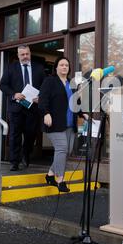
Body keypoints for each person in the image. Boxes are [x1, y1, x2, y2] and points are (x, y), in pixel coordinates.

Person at [38, 56, 84, 193]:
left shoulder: (71, 83)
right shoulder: (50, 81)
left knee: (67, 151)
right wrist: (46, 113)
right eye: (62, 65)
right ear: (56, 67)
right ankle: (60, 180)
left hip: (69, 124)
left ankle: (50, 175)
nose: (64, 67)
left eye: (67, 65)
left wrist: (83, 114)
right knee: (62, 148)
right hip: (55, 123)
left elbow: (76, 102)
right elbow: (42, 100)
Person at [0, 45, 45, 171]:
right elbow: (3, 85)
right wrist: (14, 94)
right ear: (18, 55)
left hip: (32, 107)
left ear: (30, 53)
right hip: (16, 108)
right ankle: (15, 162)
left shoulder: (39, 68)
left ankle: (26, 152)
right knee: (15, 135)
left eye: (27, 54)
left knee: (31, 134)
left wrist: (40, 96)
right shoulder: (10, 68)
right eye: (22, 54)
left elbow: (45, 86)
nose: (25, 57)